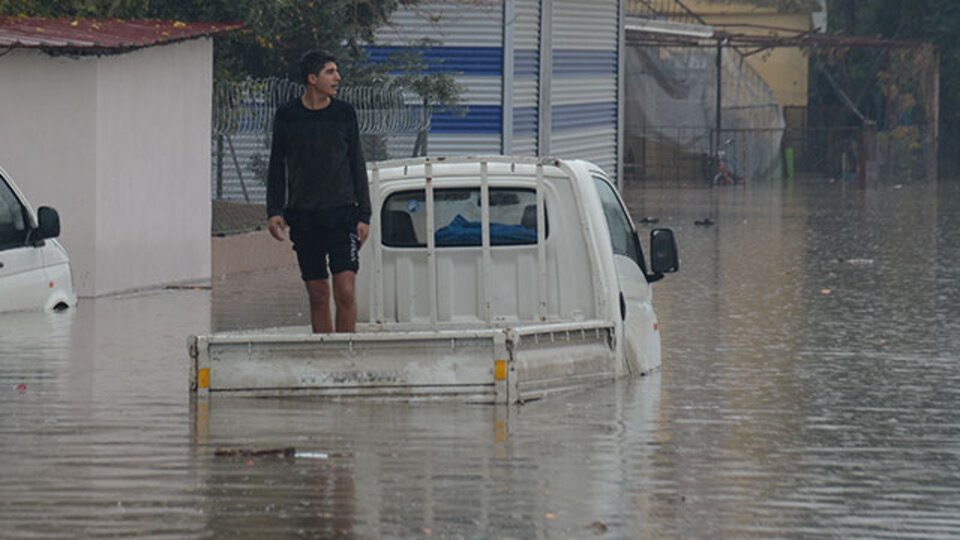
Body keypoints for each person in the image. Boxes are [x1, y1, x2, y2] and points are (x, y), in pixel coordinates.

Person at [266, 49, 371, 333]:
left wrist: (365, 215)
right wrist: (274, 210)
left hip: (342, 215)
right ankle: (325, 358)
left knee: (345, 292)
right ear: (312, 79)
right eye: (330, 72)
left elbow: (357, 164)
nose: (337, 77)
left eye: (336, 71)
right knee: (318, 294)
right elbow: (277, 165)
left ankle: (346, 357)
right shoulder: (287, 116)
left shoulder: (344, 114)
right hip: (304, 217)